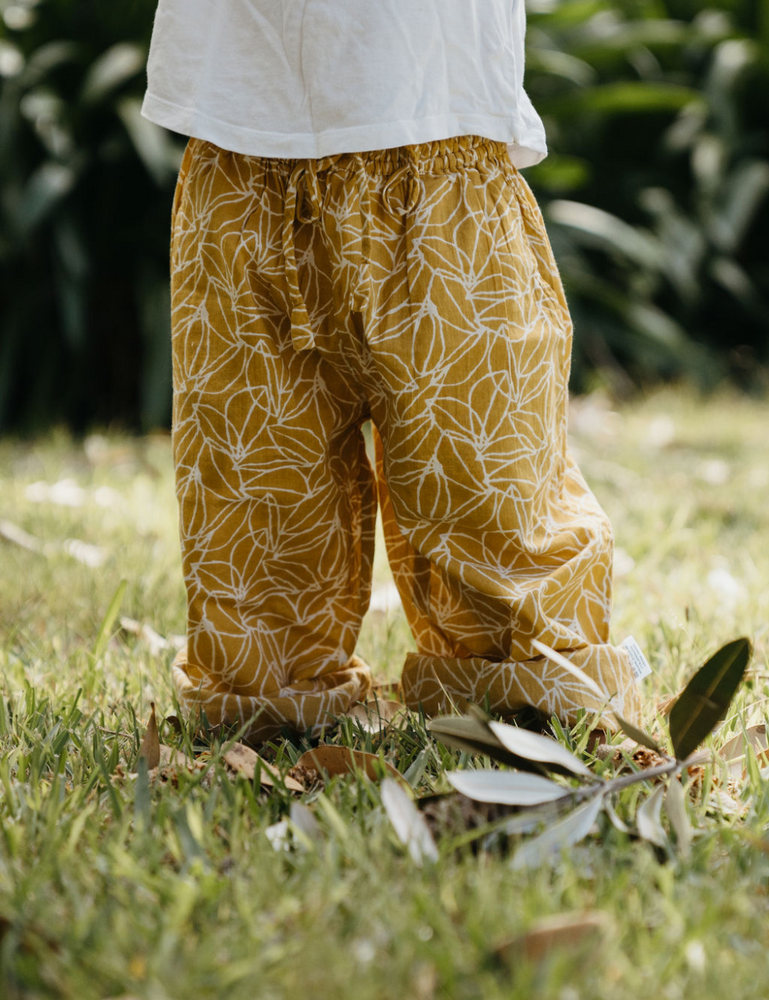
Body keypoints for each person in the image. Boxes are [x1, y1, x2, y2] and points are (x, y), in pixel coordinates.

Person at [141, 0, 642, 742]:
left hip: (438, 134)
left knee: (482, 469)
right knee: (259, 478)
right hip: (244, 136)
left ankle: (529, 688)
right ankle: (268, 688)